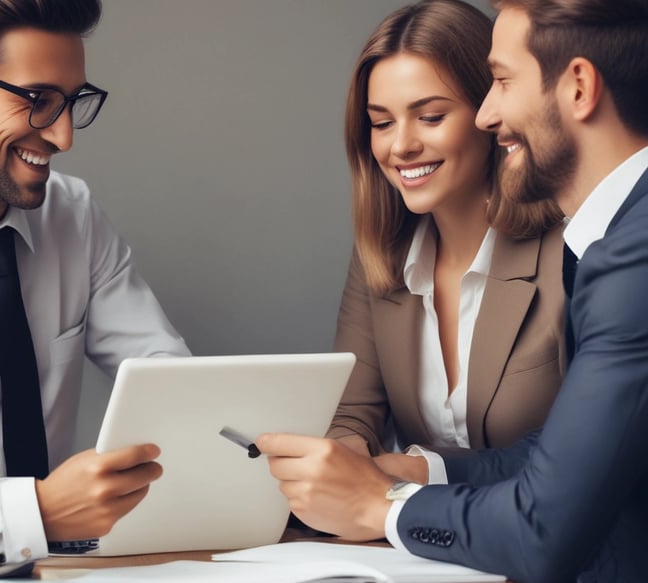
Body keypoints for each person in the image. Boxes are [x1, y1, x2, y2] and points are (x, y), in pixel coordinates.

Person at [258, 0, 648, 581]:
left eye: (501, 83)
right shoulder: (385, 255)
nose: (491, 114)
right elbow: (554, 454)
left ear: (578, 87)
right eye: (381, 122)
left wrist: (381, 502)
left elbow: (549, 514)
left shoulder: (609, 251)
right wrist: (395, 473)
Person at [0, 0, 190, 581]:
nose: (64, 135)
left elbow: (169, 381)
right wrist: (37, 512)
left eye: (72, 101)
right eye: (38, 100)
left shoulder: (72, 214)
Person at [325, 0, 565, 474]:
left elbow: (578, 457)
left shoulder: (572, 247)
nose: (401, 146)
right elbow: (352, 412)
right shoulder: (383, 253)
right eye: (382, 123)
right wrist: (340, 458)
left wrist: (412, 472)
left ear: (490, 114)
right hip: (411, 520)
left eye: (431, 117)